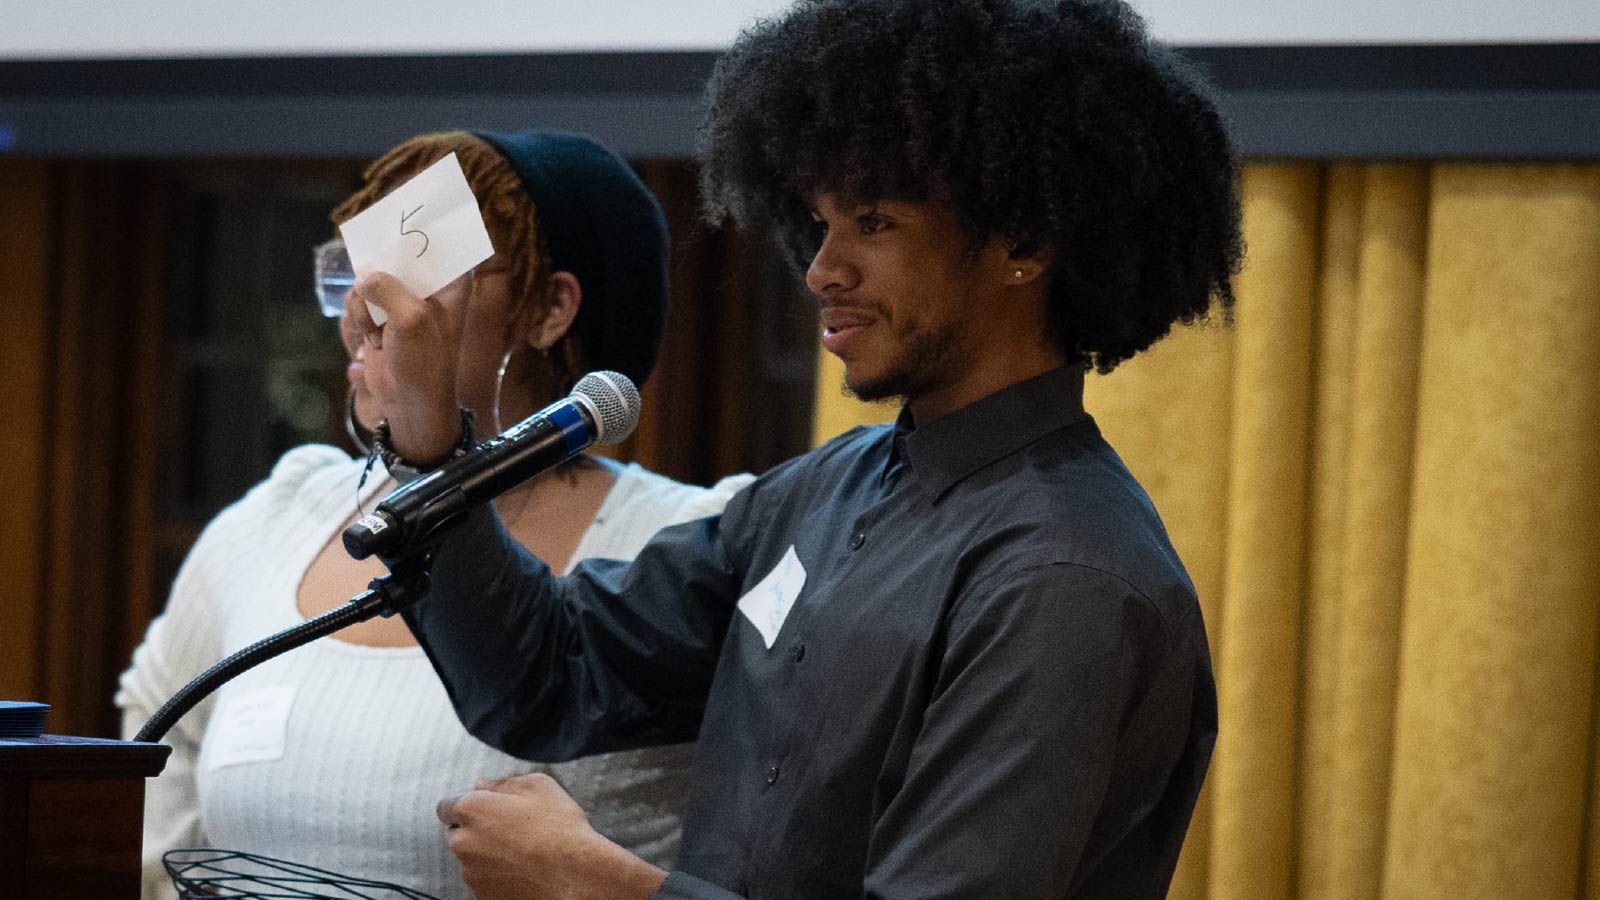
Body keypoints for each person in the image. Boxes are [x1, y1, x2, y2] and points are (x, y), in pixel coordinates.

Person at [352, 0, 1243, 896]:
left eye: (874, 222)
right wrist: (431, 440)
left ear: (1025, 242)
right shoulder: (823, 490)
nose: (822, 268)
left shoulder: (1065, 582)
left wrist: (606, 886)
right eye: (819, 224)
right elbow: (550, 674)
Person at [117, 128, 752, 900]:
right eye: (357, 270)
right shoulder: (280, 515)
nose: (366, 309)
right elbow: (152, 764)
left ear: (549, 309)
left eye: (418, 273)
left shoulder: (684, 547)